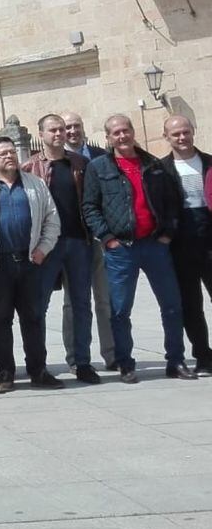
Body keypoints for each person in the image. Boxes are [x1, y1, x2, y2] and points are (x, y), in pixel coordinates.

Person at [82, 114, 194, 383]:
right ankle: (125, 363)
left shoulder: (153, 165)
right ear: (108, 138)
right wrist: (108, 238)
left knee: (171, 305)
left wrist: (167, 233)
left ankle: (176, 360)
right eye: (116, 133)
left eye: (126, 130)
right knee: (120, 309)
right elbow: (89, 207)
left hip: (155, 245)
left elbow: (171, 203)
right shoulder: (98, 168)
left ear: (133, 132)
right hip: (121, 249)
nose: (122, 136)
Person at [0, 137, 62, 391]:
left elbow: (52, 219)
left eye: (12, 151)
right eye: (2, 153)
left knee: (33, 317)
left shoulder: (35, 184)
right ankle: (5, 372)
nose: (9, 156)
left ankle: (38, 370)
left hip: (29, 261)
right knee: (1, 318)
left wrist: (43, 249)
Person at [23, 114, 102, 384]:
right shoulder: (30, 168)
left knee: (80, 304)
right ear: (41, 134)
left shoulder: (80, 163)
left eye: (61, 129)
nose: (59, 134)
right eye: (53, 130)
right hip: (47, 245)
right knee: (39, 305)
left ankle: (82, 362)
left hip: (79, 242)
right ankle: (39, 365)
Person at [59, 111, 116, 371]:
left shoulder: (103, 156)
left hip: (101, 239)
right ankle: (75, 357)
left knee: (106, 299)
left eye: (76, 126)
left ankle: (113, 353)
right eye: (66, 127)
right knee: (74, 302)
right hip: (74, 240)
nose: (71, 131)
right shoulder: (54, 161)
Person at [160, 115, 212, 374]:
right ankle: (203, 355)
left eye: (185, 132)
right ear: (166, 137)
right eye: (176, 134)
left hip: (210, 236)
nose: (182, 138)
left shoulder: (210, 163)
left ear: (193, 132)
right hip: (181, 243)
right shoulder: (161, 169)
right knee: (191, 305)